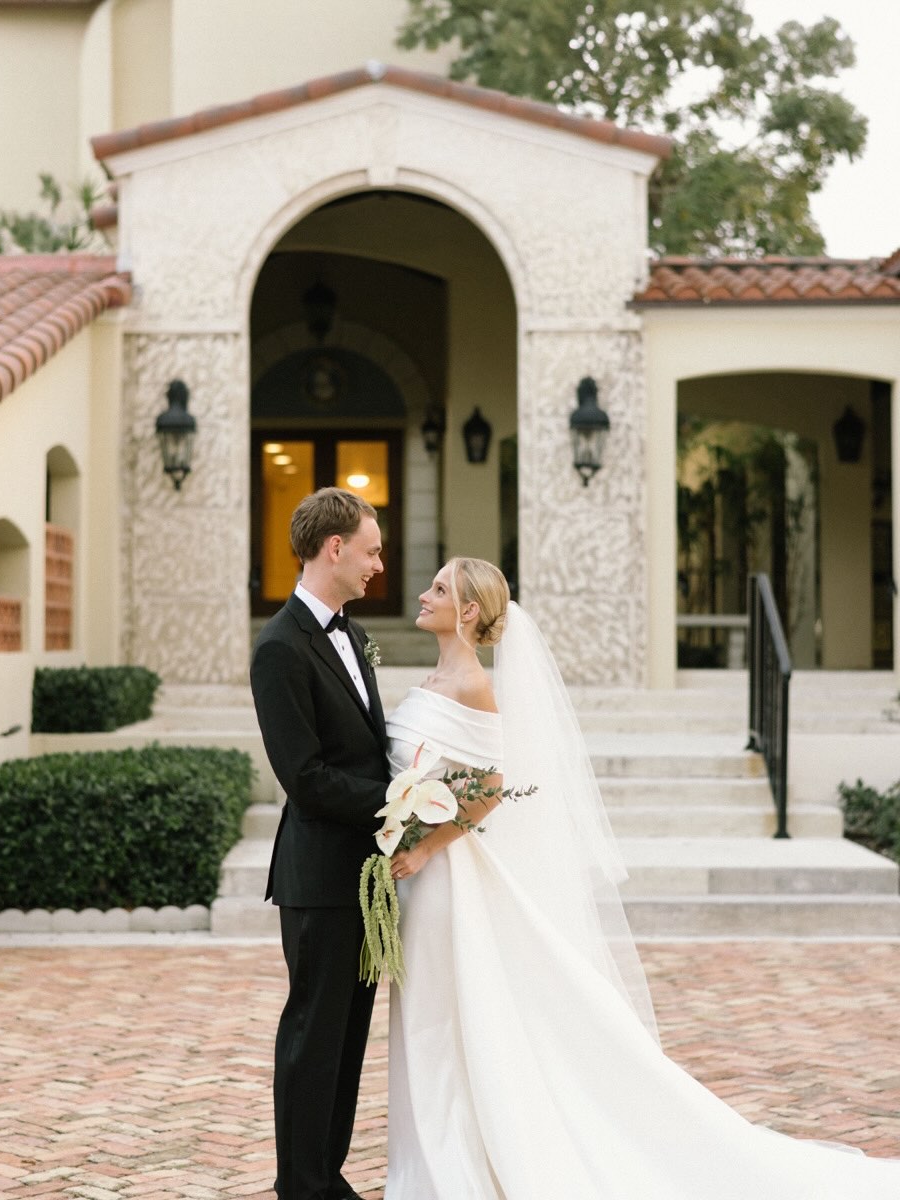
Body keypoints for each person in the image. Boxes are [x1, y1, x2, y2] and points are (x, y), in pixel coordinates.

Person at [383, 556, 900, 1199]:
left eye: (439, 588)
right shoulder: (431, 677)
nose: (424, 594)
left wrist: (428, 847)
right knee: (428, 1015)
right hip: (416, 872)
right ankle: (434, 1150)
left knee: (443, 1015)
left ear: (466, 611)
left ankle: (453, 1162)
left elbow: (489, 788)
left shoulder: (474, 687)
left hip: (443, 876)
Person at [250, 487, 389, 1200]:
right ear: (333, 548)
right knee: (312, 1035)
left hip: (366, 876)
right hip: (318, 877)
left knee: (347, 1038)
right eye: (370, 551)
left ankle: (327, 1177)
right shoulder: (279, 648)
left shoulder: (353, 634)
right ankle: (300, 1185)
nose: (378, 565)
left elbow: (366, 748)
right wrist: (401, 798)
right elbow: (305, 778)